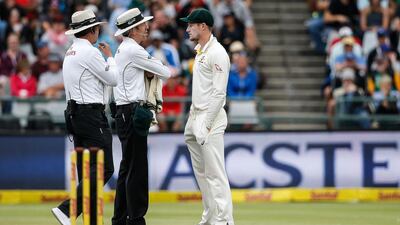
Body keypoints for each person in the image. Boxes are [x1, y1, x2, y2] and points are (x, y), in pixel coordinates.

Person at [51, 9, 118, 225]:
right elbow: (113, 79)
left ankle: (86, 220)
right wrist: (110, 58)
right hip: (91, 115)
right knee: (105, 167)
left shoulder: (70, 51)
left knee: (86, 173)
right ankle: (66, 210)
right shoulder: (89, 52)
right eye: (97, 27)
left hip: (75, 116)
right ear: (92, 30)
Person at [112, 8, 171, 225]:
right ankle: (136, 219)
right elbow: (166, 72)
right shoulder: (133, 51)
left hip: (124, 112)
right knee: (137, 169)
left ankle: (119, 218)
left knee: (127, 166)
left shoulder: (123, 49)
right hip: (132, 111)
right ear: (133, 29)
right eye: (142, 25)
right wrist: (153, 69)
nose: (146, 28)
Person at [180, 8, 235, 225]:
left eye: (190, 25)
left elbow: (219, 94)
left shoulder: (218, 52)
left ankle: (224, 221)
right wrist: (193, 121)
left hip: (209, 119)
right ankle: (210, 218)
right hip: (195, 116)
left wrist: (207, 124)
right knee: (202, 176)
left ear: (203, 26)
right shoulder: (200, 50)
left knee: (215, 175)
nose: (187, 29)